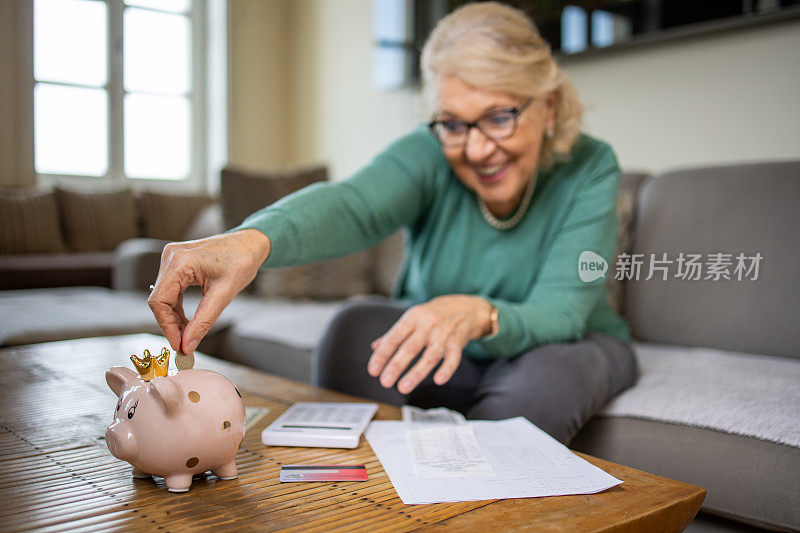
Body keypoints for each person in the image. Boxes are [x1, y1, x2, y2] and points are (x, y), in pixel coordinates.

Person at [148, 2, 637, 445]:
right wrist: (253, 240)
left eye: (499, 117)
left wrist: (480, 313)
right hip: (452, 348)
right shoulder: (431, 152)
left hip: (562, 341)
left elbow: (561, 311)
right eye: (453, 124)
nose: (477, 148)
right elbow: (355, 204)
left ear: (547, 106)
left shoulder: (591, 166)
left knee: (536, 393)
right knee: (354, 330)